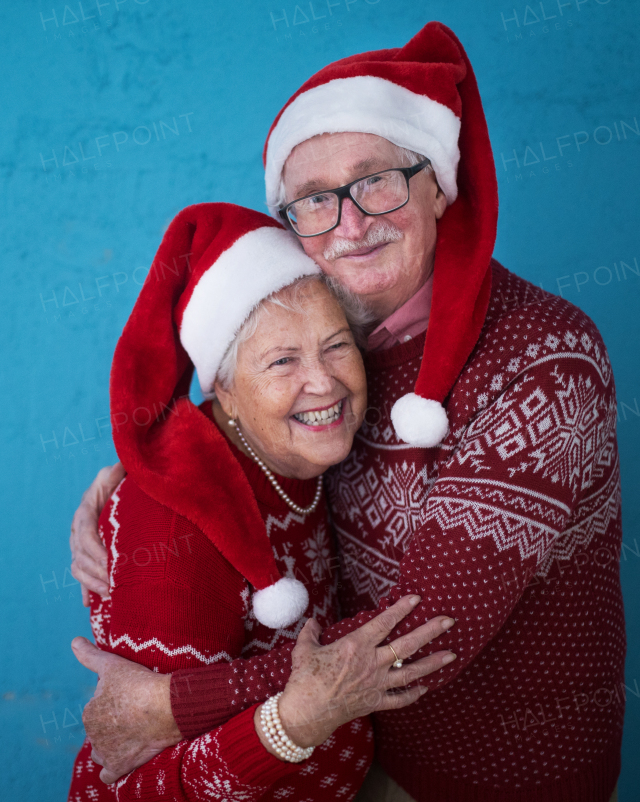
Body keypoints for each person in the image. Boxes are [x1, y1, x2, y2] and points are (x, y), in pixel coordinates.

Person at [71, 24, 625, 802]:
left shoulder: (544, 357)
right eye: (316, 201)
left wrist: (171, 705)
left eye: (379, 181)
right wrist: (137, 482)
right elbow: (245, 425)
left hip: (504, 776)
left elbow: (423, 634)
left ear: (439, 183)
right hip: (351, 762)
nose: (352, 222)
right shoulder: (334, 344)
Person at [68, 203, 455, 802]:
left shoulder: (300, 456)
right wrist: (294, 724)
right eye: (282, 361)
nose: (323, 383)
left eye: (335, 346)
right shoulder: (175, 532)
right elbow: (125, 790)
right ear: (222, 386)